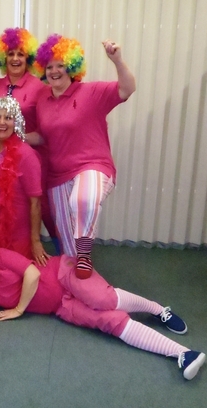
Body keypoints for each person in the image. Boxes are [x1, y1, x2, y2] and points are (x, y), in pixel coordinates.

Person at [0, 241, 206, 381]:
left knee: (102, 298)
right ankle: (184, 354)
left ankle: (159, 310)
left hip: (62, 273)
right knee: (110, 321)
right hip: (61, 307)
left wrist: (18, 309)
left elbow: (33, 275)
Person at [34, 34, 136, 278]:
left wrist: (117, 60)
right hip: (58, 177)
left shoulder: (91, 92)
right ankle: (80, 283)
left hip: (92, 166)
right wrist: (15, 136)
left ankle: (85, 254)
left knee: (83, 199)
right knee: (68, 251)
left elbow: (127, 88)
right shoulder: (42, 99)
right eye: (49, 67)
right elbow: (44, 136)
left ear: (72, 67)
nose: (54, 71)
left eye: (60, 65)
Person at [0, 27, 59, 255]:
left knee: (43, 206)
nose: (15, 58)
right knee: (7, 203)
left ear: (28, 58)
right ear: (3, 58)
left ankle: (64, 251)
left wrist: (18, 138)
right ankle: (8, 248)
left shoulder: (39, 87)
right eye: (10, 54)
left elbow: (47, 128)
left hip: (32, 155)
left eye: (20, 54)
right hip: (2, 156)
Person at [0, 96, 48, 266]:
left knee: (14, 278)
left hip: (18, 236)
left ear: (16, 122)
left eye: (8, 117)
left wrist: (35, 241)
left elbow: (35, 203)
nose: (2, 122)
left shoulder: (26, 155)